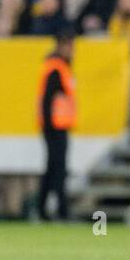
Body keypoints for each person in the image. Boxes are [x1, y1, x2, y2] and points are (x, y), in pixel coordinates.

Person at [37, 30, 76, 221]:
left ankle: (43, 209)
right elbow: (47, 100)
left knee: (53, 168)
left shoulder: (60, 66)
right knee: (58, 169)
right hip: (55, 127)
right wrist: (49, 126)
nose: (72, 50)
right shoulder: (56, 68)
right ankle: (60, 210)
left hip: (58, 126)